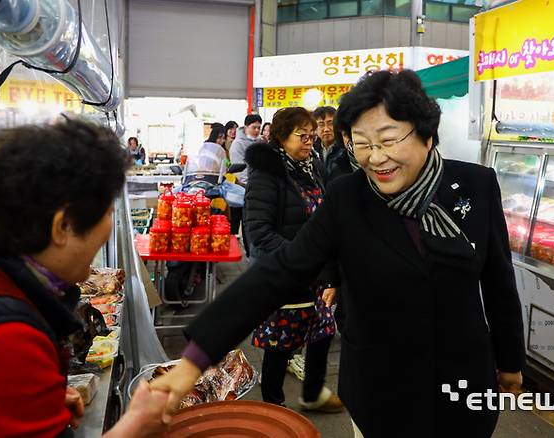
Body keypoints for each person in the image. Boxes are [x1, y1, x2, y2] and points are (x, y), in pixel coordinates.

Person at [151, 70, 525, 438]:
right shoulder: (348, 197)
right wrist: (194, 360)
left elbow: (498, 282)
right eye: (361, 143)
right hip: (379, 389)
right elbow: (279, 272)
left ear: (427, 135)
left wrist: (509, 363)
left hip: (461, 384)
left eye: (389, 140)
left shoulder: (475, 185)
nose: (376, 158)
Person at [0, 119, 170, 437]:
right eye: (106, 209)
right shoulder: (9, 337)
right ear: (63, 226)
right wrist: (135, 426)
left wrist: (41, 400)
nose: (109, 227)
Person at [243, 107, 343, 412]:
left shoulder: (313, 166)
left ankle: (312, 394)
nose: (310, 141)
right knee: (280, 343)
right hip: (284, 272)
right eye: (303, 135)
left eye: (312, 135)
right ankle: (274, 406)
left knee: (322, 333)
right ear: (282, 137)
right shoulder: (267, 174)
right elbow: (259, 231)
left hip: (315, 274)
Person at [228, 114, 262, 237]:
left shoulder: (260, 141)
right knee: (243, 215)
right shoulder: (238, 144)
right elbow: (240, 168)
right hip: (244, 185)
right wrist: (249, 183)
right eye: (254, 127)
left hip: (259, 184)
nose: (257, 131)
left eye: (259, 128)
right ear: (246, 127)